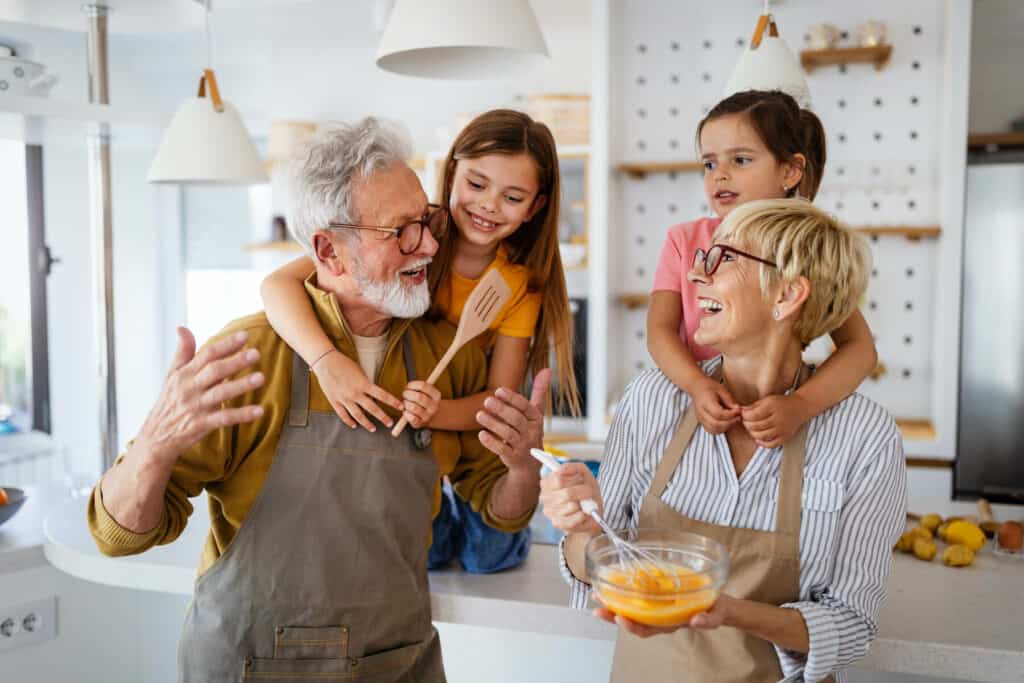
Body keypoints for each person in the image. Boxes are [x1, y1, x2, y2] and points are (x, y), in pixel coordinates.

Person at [87, 118, 548, 682]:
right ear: (328, 251)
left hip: (400, 665)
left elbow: (500, 508)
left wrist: (523, 464)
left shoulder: (446, 358)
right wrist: (153, 449)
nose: (430, 245)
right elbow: (118, 535)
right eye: (400, 231)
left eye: (425, 220)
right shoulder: (250, 356)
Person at [542, 200, 907, 682]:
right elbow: (593, 567)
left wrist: (728, 611)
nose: (695, 276)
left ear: (787, 296)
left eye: (725, 259)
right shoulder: (655, 399)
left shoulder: (864, 436)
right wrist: (580, 527)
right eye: (702, 258)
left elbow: (852, 623)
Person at [260, 109, 579, 573]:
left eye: (512, 196)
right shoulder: (415, 231)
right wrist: (327, 362)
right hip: (410, 417)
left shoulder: (516, 287)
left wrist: (439, 412)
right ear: (451, 173)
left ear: (535, 207)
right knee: (422, 541)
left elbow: (497, 397)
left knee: (487, 557)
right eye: (476, 184)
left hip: (471, 423)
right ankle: (443, 514)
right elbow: (276, 285)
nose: (489, 205)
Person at [648, 90, 877, 448]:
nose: (719, 175)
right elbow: (659, 330)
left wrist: (801, 405)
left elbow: (860, 349)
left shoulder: (802, 251)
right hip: (699, 415)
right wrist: (699, 385)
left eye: (739, 160)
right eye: (709, 164)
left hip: (772, 423)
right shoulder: (684, 240)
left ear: (790, 170)